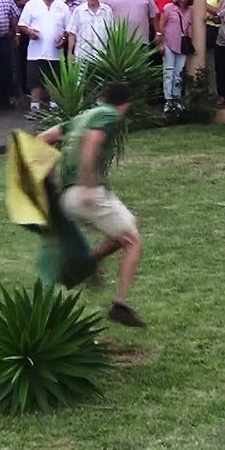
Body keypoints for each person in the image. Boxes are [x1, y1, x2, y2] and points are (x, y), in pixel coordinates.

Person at [37, 81, 146, 328]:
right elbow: (92, 142)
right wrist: (87, 184)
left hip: (67, 196)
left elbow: (42, 139)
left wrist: (52, 179)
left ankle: (87, 262)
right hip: (85, 192)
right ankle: (120, 305)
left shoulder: (83, 116)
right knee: (133, 241)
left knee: (126, 229)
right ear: (125, 105)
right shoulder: (110, 116)